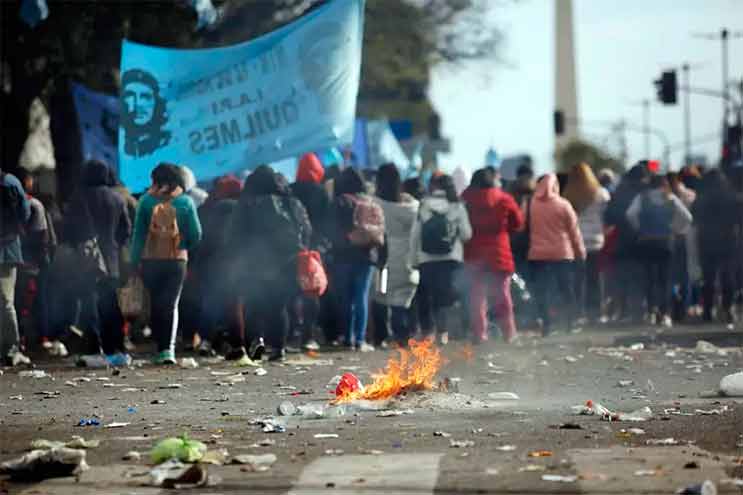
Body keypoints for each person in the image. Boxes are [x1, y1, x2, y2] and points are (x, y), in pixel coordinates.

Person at [228, 165, 311, 362]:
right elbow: (307, 230)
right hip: (288, 260)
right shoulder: (293, 203)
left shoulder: (248, 203)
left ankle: (256, 340)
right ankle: (278, 348)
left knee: (254, 303)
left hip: (256, 260)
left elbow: (235, 233)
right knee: (279, 306)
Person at [130, 163, 202, 365]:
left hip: (150, 260)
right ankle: (167, 350)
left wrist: (134, 261)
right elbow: (196, 234)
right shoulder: (185, 202)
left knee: (155, 304)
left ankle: (158, 347)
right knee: (170, 304)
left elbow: (138, 235)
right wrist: (183, 246)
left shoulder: (145, 202)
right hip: (177, 261)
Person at [66, 160, 132, 366]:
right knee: (111, 306)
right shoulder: (117, 198)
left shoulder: (79, 197)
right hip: (111, 261)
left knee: (89, 304)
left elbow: (71, 229)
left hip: (87, 261)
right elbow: (125, 231)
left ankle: (93, 349)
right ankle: (116, 349)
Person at [462, 168, 524, 343]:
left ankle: (480, 334)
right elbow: (518, 223)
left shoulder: (465, 199)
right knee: (502, 295)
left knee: (477, 297)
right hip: (499, 252)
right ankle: (509, 333)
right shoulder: (504, 199)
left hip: (473, 253)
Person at [410, 174, 472, 345]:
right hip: (451, 258)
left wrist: (413, 260)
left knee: (426, 295)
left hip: (426, 259)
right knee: (446, 296)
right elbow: (467, 234)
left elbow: (415, 235)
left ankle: (427, 331)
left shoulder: (423, 205)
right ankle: (444, 333)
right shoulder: (457, 206)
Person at [626, 174, 692, 328]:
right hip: (665, 242)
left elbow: (630, 214)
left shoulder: (641, 197)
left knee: (649, 279)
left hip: (646, 242)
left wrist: (639, 228)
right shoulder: (670, 198)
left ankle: (651, 311)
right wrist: (675, 229)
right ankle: (665, 313)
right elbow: (687, 217)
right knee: (665, 280)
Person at [332, 167, 385, 351]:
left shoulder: (340, 201)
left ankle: (347, 337)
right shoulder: (370, 202)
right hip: (367, 255)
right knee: (361, 297)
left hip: (344, 256)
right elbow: (382, 234)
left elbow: (332, 230)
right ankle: (360, 339)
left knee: (346, 298)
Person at [528, 173, 586, 335]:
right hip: (562, 254)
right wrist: (580, 252)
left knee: (542, 291)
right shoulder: (563, 205)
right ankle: (570, 322)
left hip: (538, 255)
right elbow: (574, 232)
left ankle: (546, 323)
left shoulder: (532, 204)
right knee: (566, 290)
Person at [193, 175, 243, 356]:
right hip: (238, 264)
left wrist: (197, 265)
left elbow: (203, 239)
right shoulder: (245, 209)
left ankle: (206, 341)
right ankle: (237, 345)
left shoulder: (210, 208)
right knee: (235, 305)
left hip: (212, 264)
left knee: (211, 304)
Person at [372, 164, 419, 347]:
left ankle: (381, 336)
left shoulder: (376, 205)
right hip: (406, 260)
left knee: (380, 296)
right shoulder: (413, 209)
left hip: (384, 260)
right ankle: (402, 336)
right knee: (401, 301)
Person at [15, 169, 60, 356]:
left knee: (18, 302)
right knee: (39, 300)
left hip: (14, 260)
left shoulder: (11, 204)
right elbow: (42, 234)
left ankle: (21, 339)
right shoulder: (34, 204)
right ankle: (41, 339)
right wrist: (45, 260)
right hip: (34, 262)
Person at [290, 153, 332, 351]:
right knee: (312, 292)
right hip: (314, 251)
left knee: (292, 291)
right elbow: (327, 223)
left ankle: (291, 332)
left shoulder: (290, 190)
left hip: (293, 248)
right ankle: (308, 334)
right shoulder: (321, 192)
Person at [562, 163, 610, 323]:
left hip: (576, 242)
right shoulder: (601, 193)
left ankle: (578, 312)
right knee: (595, 279)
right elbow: (608, 215)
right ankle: (596, 312)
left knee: (578, 280)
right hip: (596, 241)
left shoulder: (568, 195)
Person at [603, 163, 649, 322]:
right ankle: (641, 311)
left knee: (622, 278)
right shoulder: (647, 192)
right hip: (644, 240)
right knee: (642, 278)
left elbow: (609, 217)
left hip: (622, 240)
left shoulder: (620, 191)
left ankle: (622, 311)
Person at [691, 170, 738, 325]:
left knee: (708, 277)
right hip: (728, 240)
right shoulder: (731, 197)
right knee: (728, 275)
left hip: (706, 241)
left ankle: (708, 310)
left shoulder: (702, 198)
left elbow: (694, 218)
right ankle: (728, 308)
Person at [0, 168, 32, 365]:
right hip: (8, 248)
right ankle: (12, 349)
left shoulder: (9, 183)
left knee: (5, 302)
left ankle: (10, 347)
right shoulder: (10, 181)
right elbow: (25, 213)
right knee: (6, 301)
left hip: (7, 250)